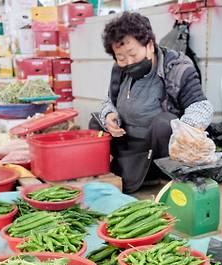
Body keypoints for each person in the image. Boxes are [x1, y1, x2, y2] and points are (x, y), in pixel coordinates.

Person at [90, 12, 213, 193]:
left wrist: (185, 129)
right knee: (96, 121)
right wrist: (109, 115)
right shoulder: (119, 70)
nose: (128, 62)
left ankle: (160, 175)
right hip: (127, 142)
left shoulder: (177, 67)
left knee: (164, 124)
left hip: (158, 147)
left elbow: (201, 106)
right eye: (121, 57)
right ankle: (118, 170)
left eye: (132, 53)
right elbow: (109, 100)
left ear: (149, 46)